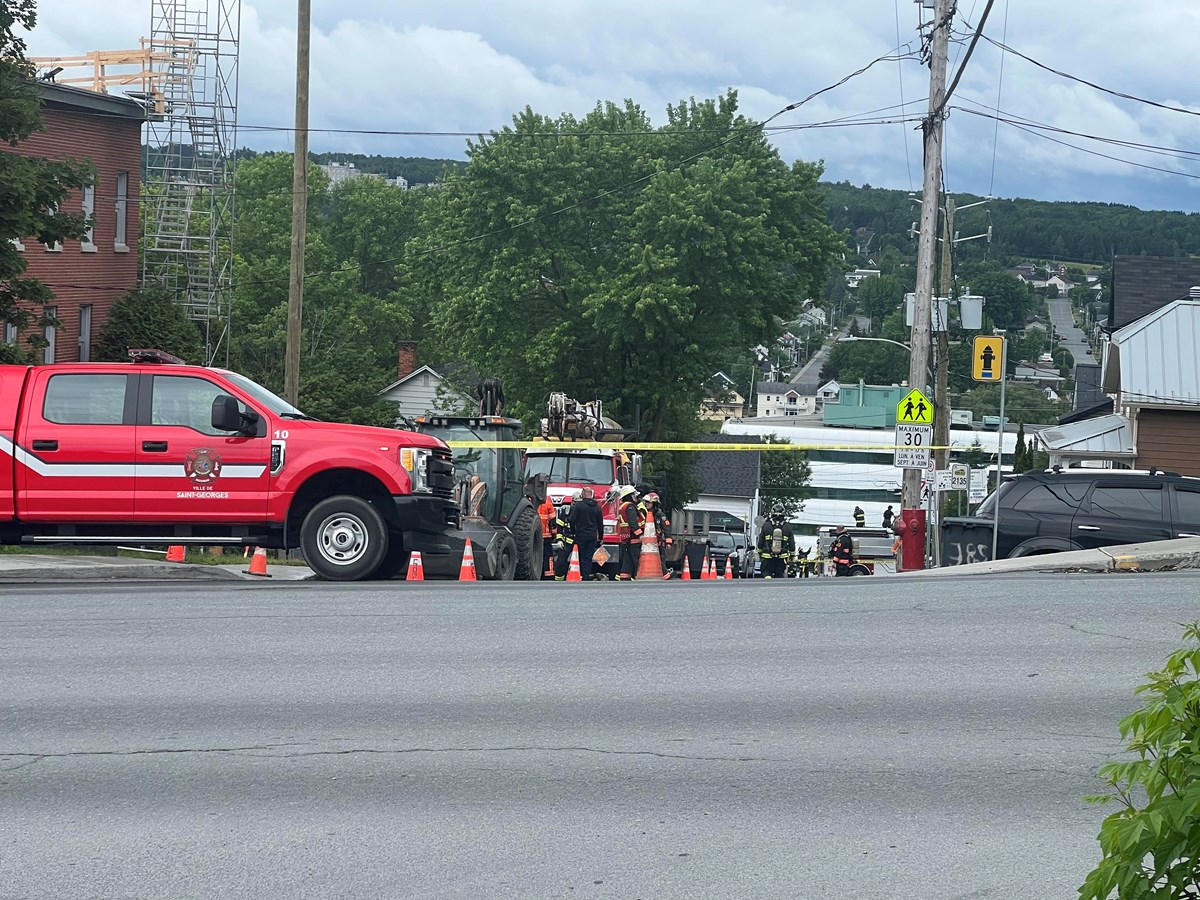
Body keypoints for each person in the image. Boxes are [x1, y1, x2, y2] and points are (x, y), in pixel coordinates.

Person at [569, 486, 604, 581]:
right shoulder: (597, 507)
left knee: (580, 556)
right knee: (588, 557)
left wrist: (573, 532)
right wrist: (601, 537)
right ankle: (586, 576)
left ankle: (579, 575)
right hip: (592, 537)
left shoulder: (579, 506)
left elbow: (571, 520)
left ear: (583, 494)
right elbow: (600, 524)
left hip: (580, 535)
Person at [756, 503, 795, 579]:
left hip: (767, 556)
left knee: (766, 572)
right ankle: (777, 589)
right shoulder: (787, 527)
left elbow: (760, 541)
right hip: (782, 557)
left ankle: (767, 585)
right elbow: (791, 543)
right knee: (779, 574)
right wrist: (792, 555)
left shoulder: (766, 525)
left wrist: (760, 552)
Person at [616, 485, 644, 580]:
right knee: (636, 559)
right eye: (633, 495)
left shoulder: (622, 506)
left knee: (627, 560)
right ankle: (638, 576)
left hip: (626, 537)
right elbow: (633, 523)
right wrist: (640, 534)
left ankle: (625, 577)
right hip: (634, 538)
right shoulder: (630, 506)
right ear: (629, 495)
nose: (635, 497)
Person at [553, 493, 577, 580]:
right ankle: (559, 580)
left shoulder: (583, 512)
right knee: (561, 562)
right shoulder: (565, 513)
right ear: (572, 501)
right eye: (575, 502)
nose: (576, 504)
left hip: (579, 541)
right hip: (567, 541)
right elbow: (559, 528)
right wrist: (559, 540)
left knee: (582, 562)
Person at [537, 493, 557, 579]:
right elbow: (553, 521)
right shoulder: (548, 504)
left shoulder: (530, 503)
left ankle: (539, 573)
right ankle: (549, 575)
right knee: (548, 556)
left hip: (535, 536)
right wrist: (554, 535)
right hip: (546, 536)